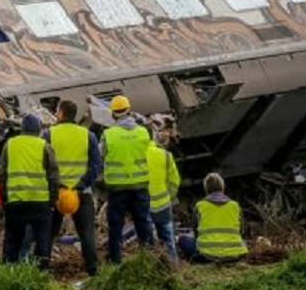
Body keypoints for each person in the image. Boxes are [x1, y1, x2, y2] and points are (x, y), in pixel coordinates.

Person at [43, 99, 100, 276]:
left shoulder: (48, 134)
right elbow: (96, 165)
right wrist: (81, 184)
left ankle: (42, 271)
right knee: (87, 235)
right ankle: (93, 272)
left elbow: (43, 164)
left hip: (56, 193)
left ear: (60, 113)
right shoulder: (88, 135)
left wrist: (56, 185)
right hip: (81, 192)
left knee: (48, 234)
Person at [0, 112, 60, 269]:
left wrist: (5, 200)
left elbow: (2, 175)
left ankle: (8, 273)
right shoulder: (44, 146)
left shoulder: (10, 145)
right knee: (42, 241)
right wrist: (52, 200)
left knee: (12, 240)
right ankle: (41, 275)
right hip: (40, 203)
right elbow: (53, 176)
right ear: (38, 129)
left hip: (16, 201)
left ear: (22, 128)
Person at [99, 95, 155, 263]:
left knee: (116, 226)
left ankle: (115, 260)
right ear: (129, 111)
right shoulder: (143, 132)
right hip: (140, 186)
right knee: (143, 223)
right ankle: (151, 258)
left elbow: (101, 155)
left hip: (118, 188)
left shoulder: (108, 135)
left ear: (113, 114)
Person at [178, 172, 248, 263]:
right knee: (244, 242)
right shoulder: (235, 206)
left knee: (182, 239)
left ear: (206, 189)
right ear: (223, 188)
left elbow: (195, 232)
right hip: (234, 255)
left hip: (206, 256)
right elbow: (241, 231)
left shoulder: (200, 206)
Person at [146, 129, 180, 262]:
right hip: (163, 205)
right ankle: (173, 267)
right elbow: (174, 181)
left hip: (144, 206)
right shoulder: (165, 155)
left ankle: (151, 270)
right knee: (168, 241)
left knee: (148, 244)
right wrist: (169, 197)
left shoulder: (135, 157)